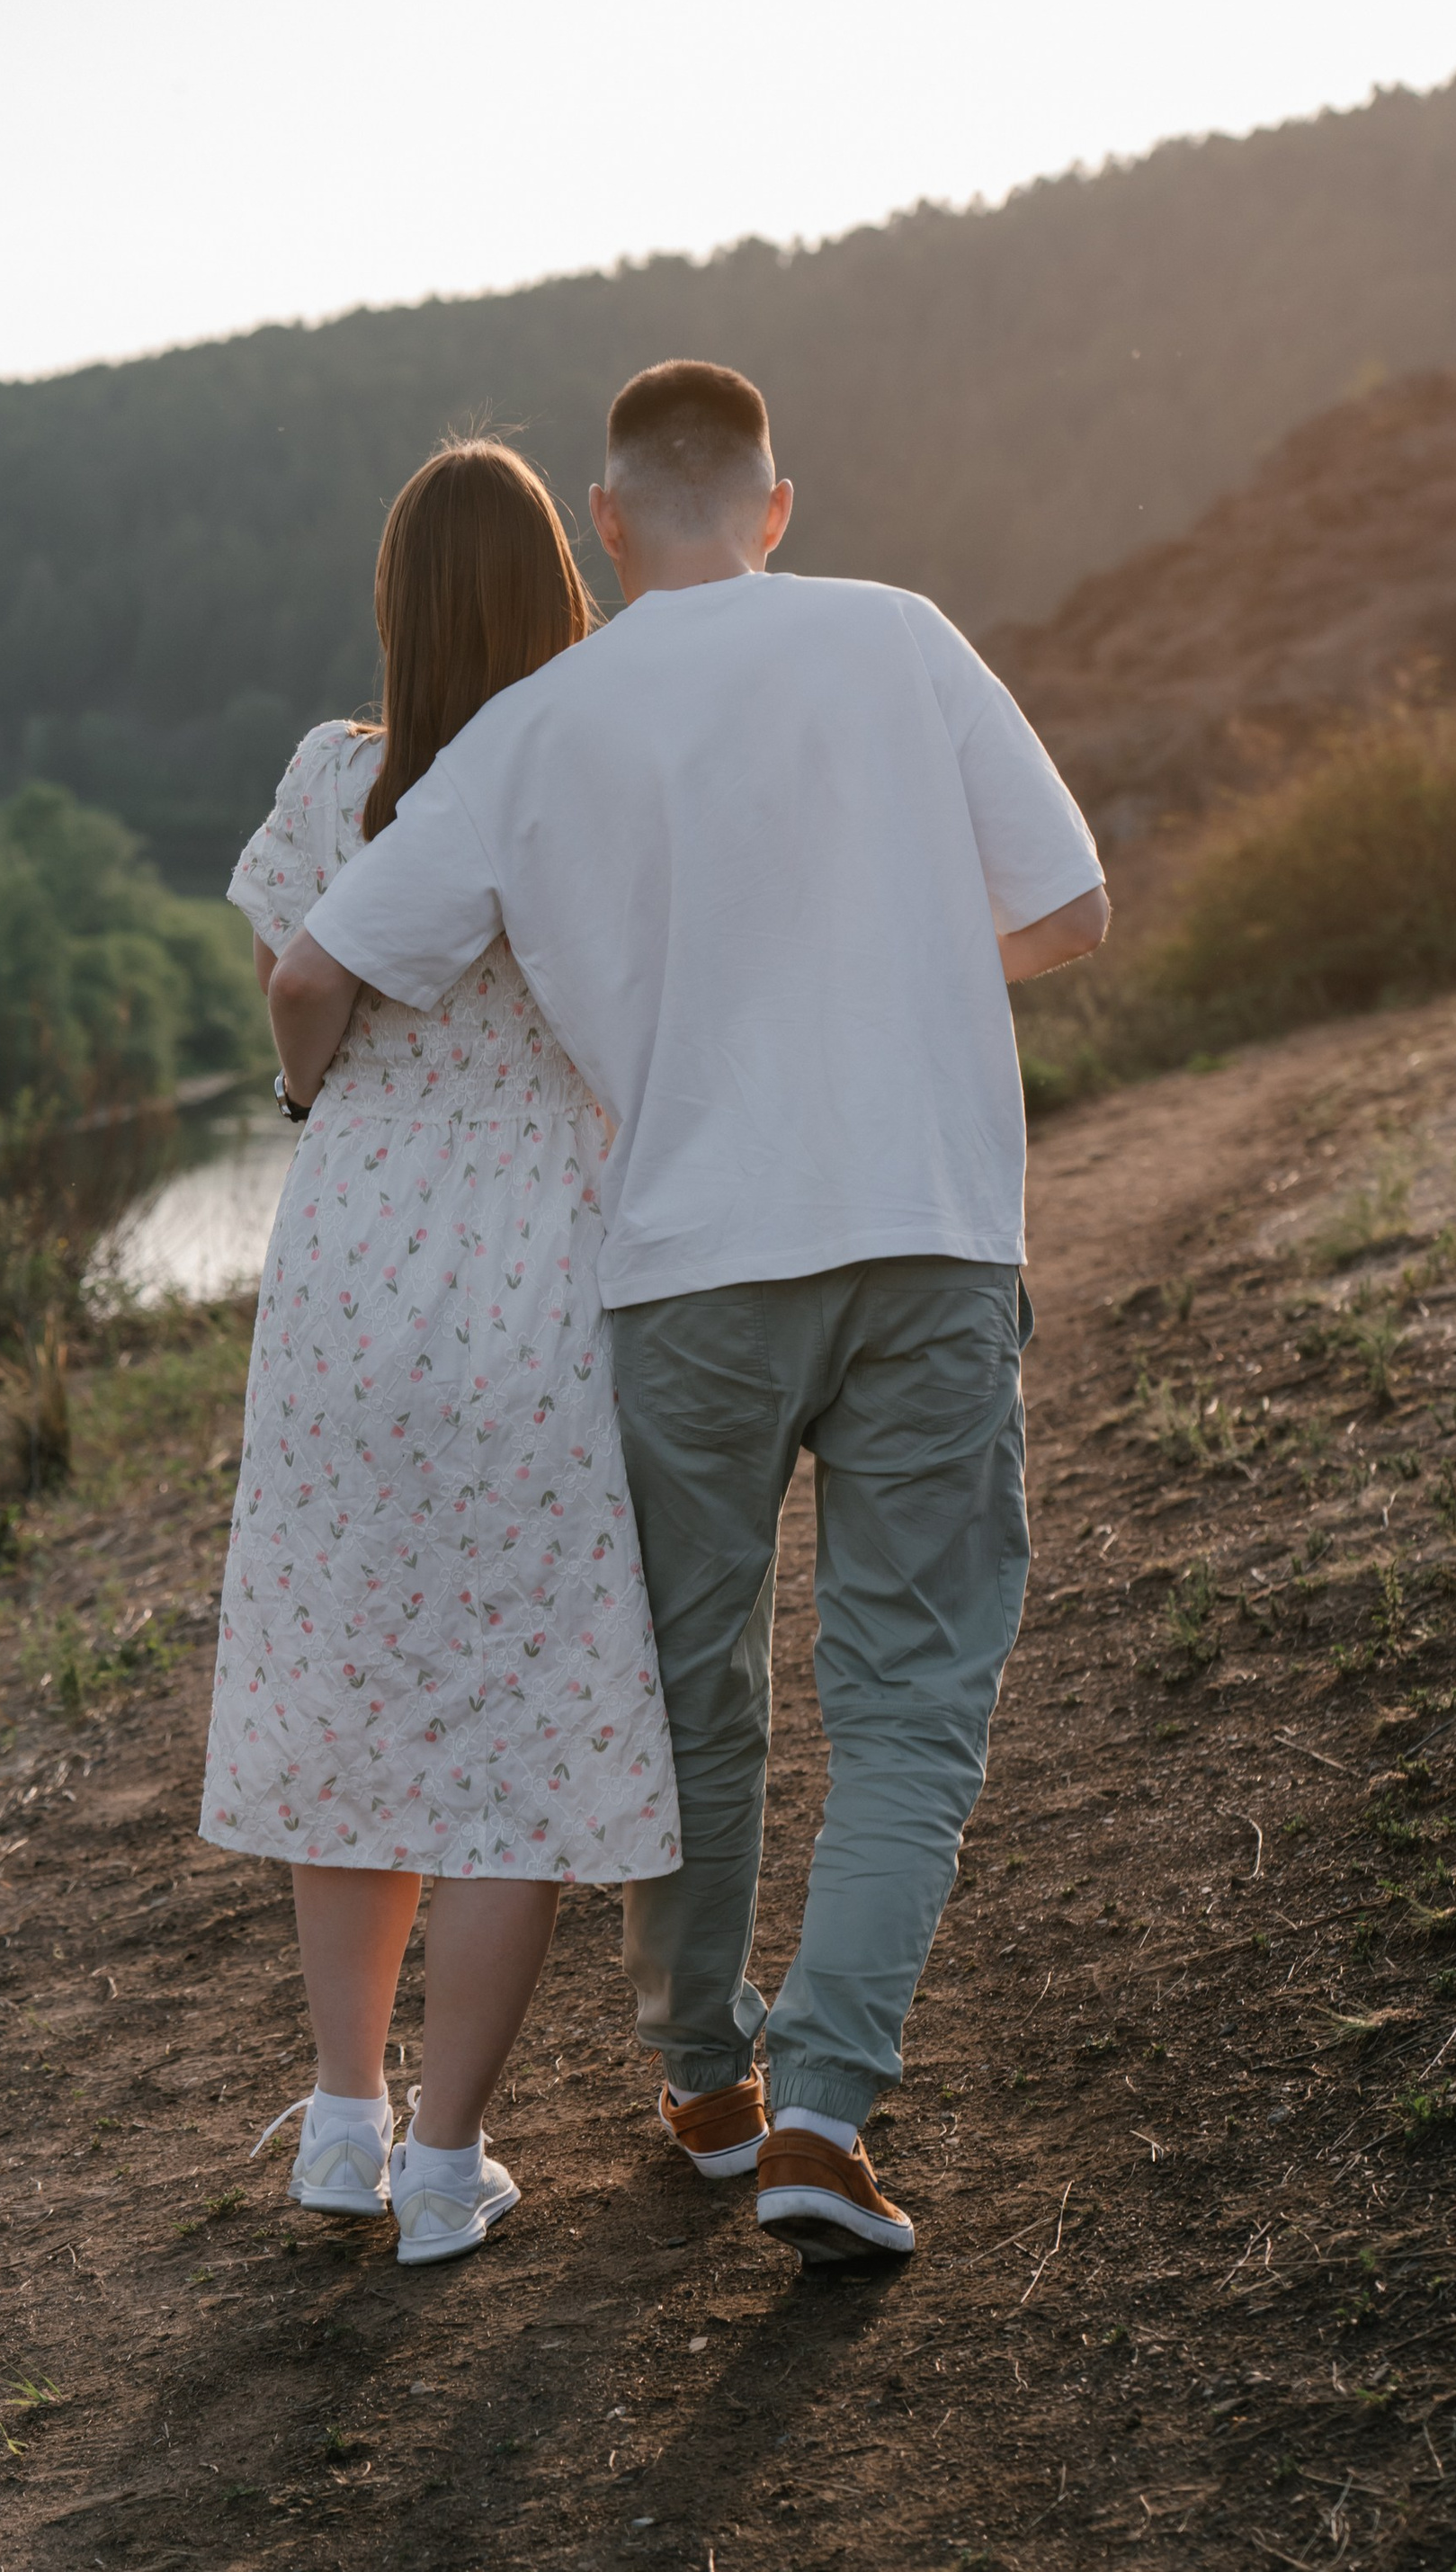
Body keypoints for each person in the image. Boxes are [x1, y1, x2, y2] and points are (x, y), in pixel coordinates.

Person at [269, 359, 1108, 2268]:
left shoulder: (543, 722)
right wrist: (896, 955)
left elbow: (323, 969)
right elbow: (1067, 910)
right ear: (777, 505)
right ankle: (827, 2108)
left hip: (683, 1274)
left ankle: (704, 2075)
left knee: (687, 1690)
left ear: (609, 523)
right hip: (929, 1237)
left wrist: (318, 1108)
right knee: (906, 1701)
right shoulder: (898, 639)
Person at [204, 438, 677, 2268]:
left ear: (397, 598)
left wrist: (307, 1089)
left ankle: (343, 2116)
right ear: (556, 583)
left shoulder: (334, 774)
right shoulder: (595, 761)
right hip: (544, 1259)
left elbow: (297, 990)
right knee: (519, 1715)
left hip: (348, 1264)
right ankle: (441, 2159)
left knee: (350, 1679)